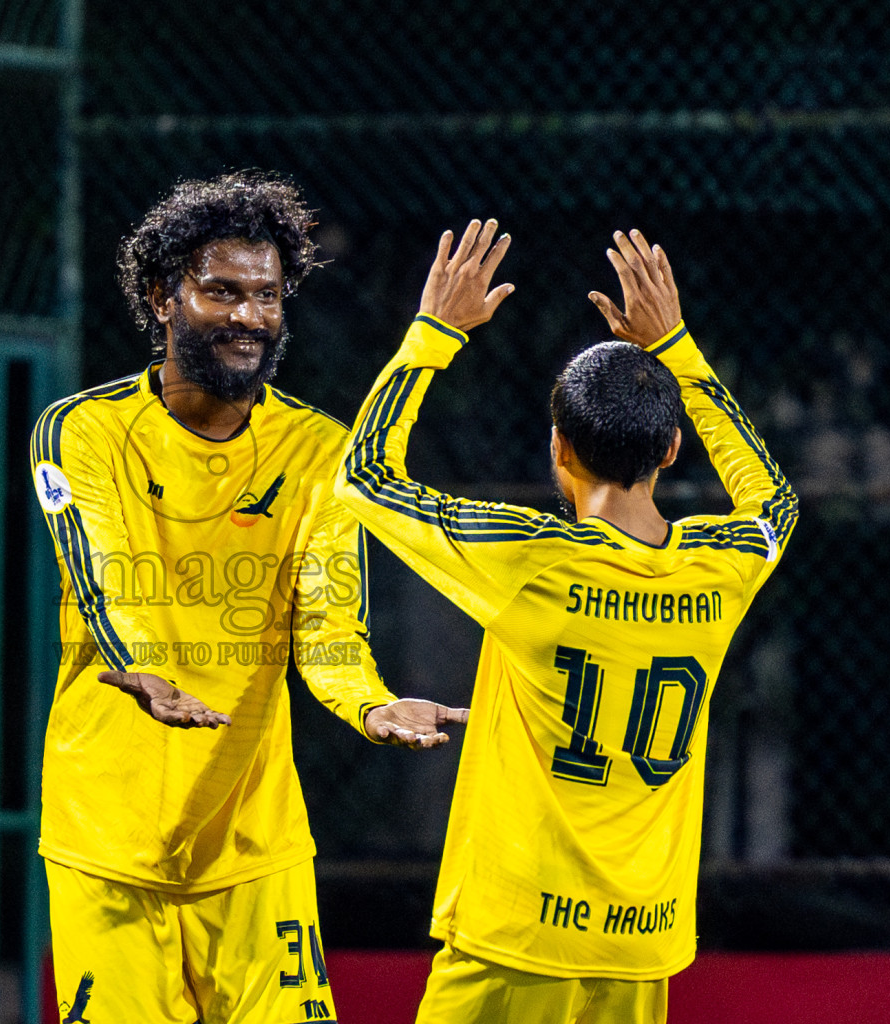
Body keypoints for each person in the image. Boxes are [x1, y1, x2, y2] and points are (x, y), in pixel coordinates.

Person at [29, 171, 468, 1024]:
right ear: (161, 298)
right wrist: (141, 667)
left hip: (254, 841)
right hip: (107, 835)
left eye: (266, 295)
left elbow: (328, 622)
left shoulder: (317, 450)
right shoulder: (82, 430)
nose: (249, 316)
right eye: (222, 291)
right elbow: (102, 572)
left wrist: (368, 701)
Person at [336, 222, 796, 1023]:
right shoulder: (722, 566)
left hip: (517, 936)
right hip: (640, 944)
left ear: (559, 446)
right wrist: (678, 351)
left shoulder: (533, 559)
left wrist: (432, 333)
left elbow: (364, 478)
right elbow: (774, 500)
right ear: (672, 448)